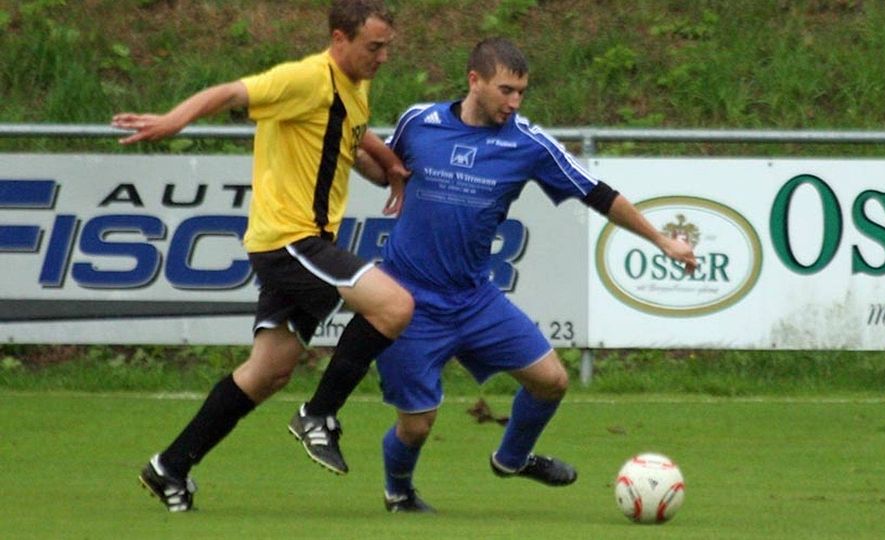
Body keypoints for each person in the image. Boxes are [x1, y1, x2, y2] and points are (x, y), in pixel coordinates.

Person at [368, 37, 699, 513]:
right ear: (474, 80)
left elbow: (597, 192)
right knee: (416, 425)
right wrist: (344, 147)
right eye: (506, 90)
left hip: (474, 298)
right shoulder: (420, 123)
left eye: (522, 91)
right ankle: (398, 491)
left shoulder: (526, 142)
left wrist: (662, 240)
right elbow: (385, 169)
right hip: (405, 300)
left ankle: (511, 459)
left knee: (551, 380)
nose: (515, 102)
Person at [112, 0, 414, 512]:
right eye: (374, 46)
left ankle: (170, 466)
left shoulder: (354, 86)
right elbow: (231, 91)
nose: (383, 57)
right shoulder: (304, 79)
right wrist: (175, 119)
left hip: (303, 241)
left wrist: (389, 165)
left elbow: (354, 133)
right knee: (394, 307)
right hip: (290, 240)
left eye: (387, 46)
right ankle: (318, 415)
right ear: (339, 39)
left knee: (268, 370)